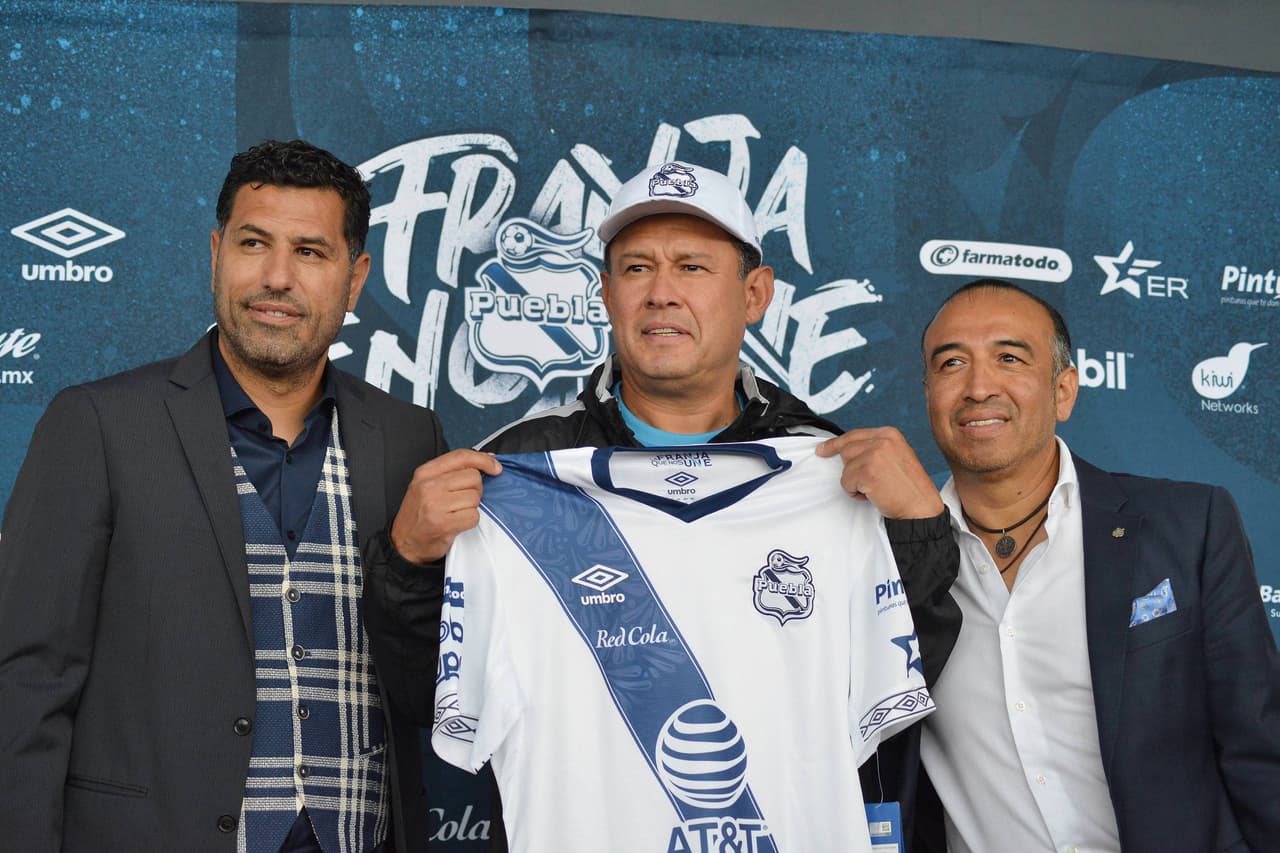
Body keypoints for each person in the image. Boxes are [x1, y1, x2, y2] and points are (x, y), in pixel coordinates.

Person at [364, 161, 961, 850]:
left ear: (755, 293)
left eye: (693, 267)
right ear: (607, 294)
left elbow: (902, 685)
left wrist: (917, 530)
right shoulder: (514, 474)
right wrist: (407, 560)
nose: (662, 293)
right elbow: (421, 692)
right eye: (638, 268)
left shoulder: (832, 470)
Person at [0, 139, 447, 852]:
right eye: (253, 243)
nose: (277, 277)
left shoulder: (408, 437)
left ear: (354, 278)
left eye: (310, 252)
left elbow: (437, 679)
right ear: (215, 252)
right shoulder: (98, 425)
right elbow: (24, 679)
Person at [915, 279, 1280, 852]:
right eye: (952, 363)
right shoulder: (889, 562)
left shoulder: (1189, 525)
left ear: (1063, 391)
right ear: (929, 392)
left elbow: (1261, 748)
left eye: (1009, 358)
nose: (978, 386)